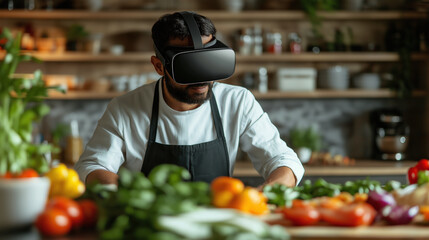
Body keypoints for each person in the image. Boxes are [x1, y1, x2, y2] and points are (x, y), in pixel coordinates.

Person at [74, 11, 304, 187]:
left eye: (207, 63)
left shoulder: (237, 102)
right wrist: (129, 195)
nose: (202, 79)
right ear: (159, 66)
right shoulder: (125, 109)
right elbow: (92, 166)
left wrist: (264, 193)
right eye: (188, 67)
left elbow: (284, 160)